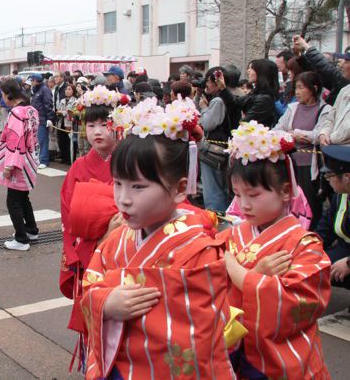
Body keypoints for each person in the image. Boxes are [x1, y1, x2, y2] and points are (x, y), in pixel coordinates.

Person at [80, 96, 238, 379]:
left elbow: (201, 333)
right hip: (119, 368)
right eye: (118, 184)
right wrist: (106, 303)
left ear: (179, 189)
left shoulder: (200, 249)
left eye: (138, 186)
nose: (123, 199)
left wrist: (117, 287)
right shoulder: (115, 241)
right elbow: (90, 287)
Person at [218, 121, 330, 379]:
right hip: (235, 359)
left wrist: (240, 274)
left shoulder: (305, 245)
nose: (243, 205)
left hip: (282, 362)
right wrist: (257, 274)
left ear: (286, 191)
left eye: (253, 194)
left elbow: (298, 305)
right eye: (237, 194)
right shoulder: (230, 235)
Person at [59, 85, 120, 339]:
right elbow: (68, 214)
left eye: (104, 124)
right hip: (87, 248)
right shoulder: (79, 167)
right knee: (92, 306)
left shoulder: (129, 162)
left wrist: (113, 233)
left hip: (121, 248)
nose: (97, 131)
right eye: (91, 125)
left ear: (117, 125)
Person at [273, 71, 331, 228]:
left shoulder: (325, 110)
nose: (297, 92)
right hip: (290, 162)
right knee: (291, 201)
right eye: (295, 88)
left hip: (310, 166)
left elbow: (318, 134)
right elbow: (278, 130)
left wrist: (295, 134)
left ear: (314, 88)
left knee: (310, 203)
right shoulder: (292, 108)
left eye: (301, 88)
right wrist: (295, 136)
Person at [0, 78, 40, 251]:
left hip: (19, 161)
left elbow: (14, 140)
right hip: (30, 158)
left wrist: (9, 165)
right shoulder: (31, 109)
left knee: (13, 201)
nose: (2, 98)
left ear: (9, 94)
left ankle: (21, 238)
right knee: (23, 198)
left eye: (3, 94)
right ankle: (31, 230)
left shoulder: (17, 113)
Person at [198, 67, 233, 212]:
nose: (206, 85)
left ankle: (215, 218)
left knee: (213, 189)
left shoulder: (218, 101)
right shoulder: (225, 98)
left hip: (214, 151)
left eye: (208, 81)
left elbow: (207, 124)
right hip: (221, 149)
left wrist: (204, 108)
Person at [316, 145, 350, 289]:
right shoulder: (340, 197)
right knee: (315, 266)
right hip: (346, 248)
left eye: (330, 175)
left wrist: (348, 263)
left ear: (347, 176)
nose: (328, 180)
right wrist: (304, 249)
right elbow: (324, 230)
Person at [216, 59, 279, 128]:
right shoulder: (257, 93)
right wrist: (223, 87)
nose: (248, 71)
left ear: (261, 73)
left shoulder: (264, 99)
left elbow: (246, 123)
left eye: (251, 69)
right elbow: (235, 102)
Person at [317, 47, 350, 147]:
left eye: (347, 61)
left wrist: (330, 138)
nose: (342, 65)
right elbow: (331, 117)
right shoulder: (345, 90)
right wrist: (323, 133)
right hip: (333, 151)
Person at [29, 74, 54, 169]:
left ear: (36, 80)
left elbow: (48, 104)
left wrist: (50, 118)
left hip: (43, 119)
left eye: (32, 80)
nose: (31, 82)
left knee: (42, 140)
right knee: (37, 140)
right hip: (36, 118)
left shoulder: (44, 89)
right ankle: (39, 158)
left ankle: (44, 160)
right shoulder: (37, 90)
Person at [53, 72, 71, 164]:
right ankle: (63, 156)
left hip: (66, 115)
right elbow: (55, 100)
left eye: (57, 76)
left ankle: (68, 157)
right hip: (58, 114)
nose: (55, 78)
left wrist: (62, 111)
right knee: (60, 137)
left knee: (66, 137)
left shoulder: (66, 87)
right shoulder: (56, 88)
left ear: (62, 78)